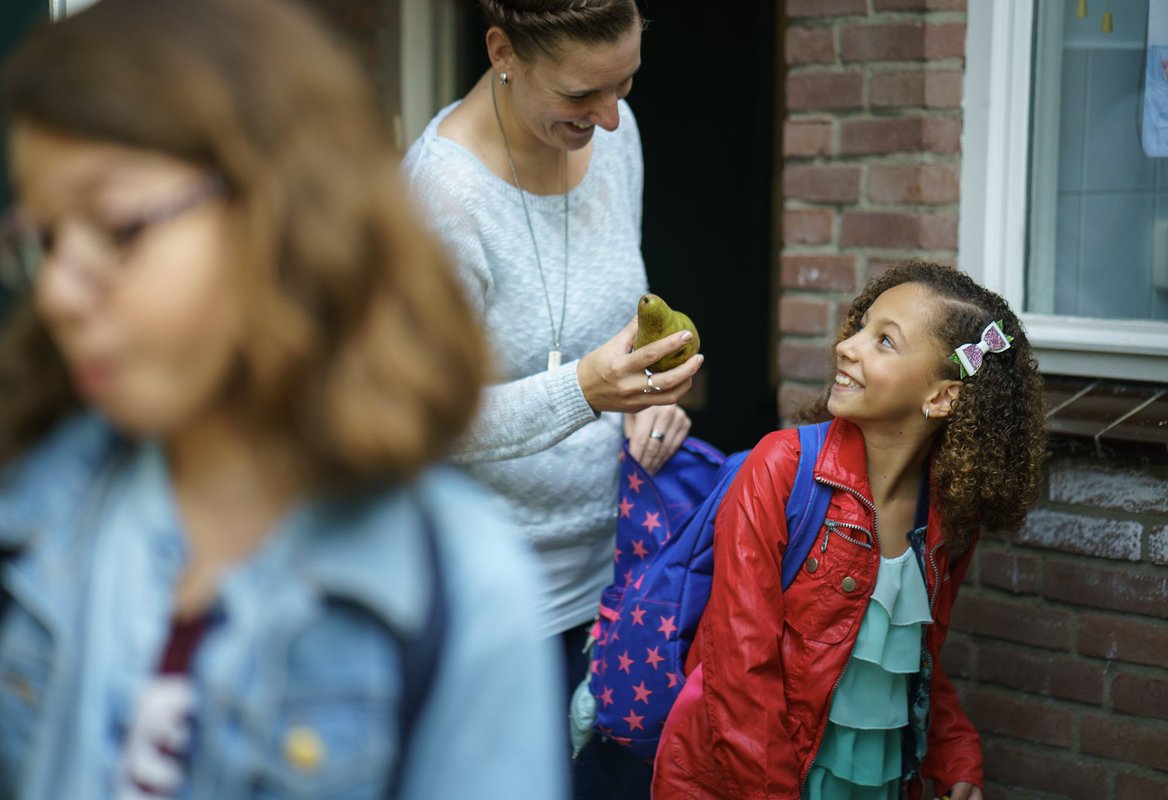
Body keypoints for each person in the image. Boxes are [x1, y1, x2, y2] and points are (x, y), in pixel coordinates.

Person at [0, 1, 565, 798]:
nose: (56, 291)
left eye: (116, 225)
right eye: (45, 239)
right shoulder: (29, 519)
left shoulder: (457, 591)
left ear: (281, 215)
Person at [402, 1, 702, 796]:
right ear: (503, 50)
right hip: (491, 604)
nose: (608, 119)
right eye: (581, 97)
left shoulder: (615, 137)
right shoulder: (441, 198)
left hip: (623, 579)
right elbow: (416, 420)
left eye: (626, 84)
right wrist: (587, 391)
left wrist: (647, 398)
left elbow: (611, 325)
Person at [653, 261, 1048, 800]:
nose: (847, 346)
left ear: (941, 397)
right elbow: (738, 671)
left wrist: (955, 754)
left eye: (884, 341)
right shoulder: (782, 468)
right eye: (861, 325)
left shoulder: (948, 518)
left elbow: (910, 654)